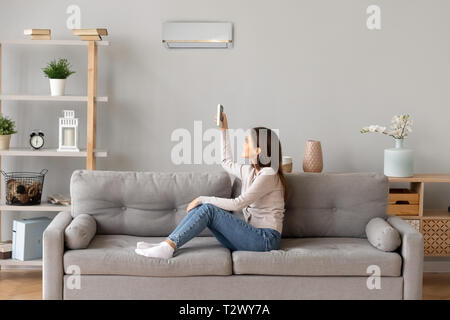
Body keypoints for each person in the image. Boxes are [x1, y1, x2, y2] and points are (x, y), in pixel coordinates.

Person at [135, 113, 287, 259]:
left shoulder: (269, 174)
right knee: (202, 209)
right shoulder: (250, 171)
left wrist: (202, 199)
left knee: (208, 208)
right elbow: (226, 162)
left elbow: (238, 203)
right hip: (251, 236)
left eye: (248, 141)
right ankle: (167, 244)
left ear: (258, 150)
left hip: (265, 240)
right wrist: (224, 130)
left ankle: (167, 247)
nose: (244, 143)